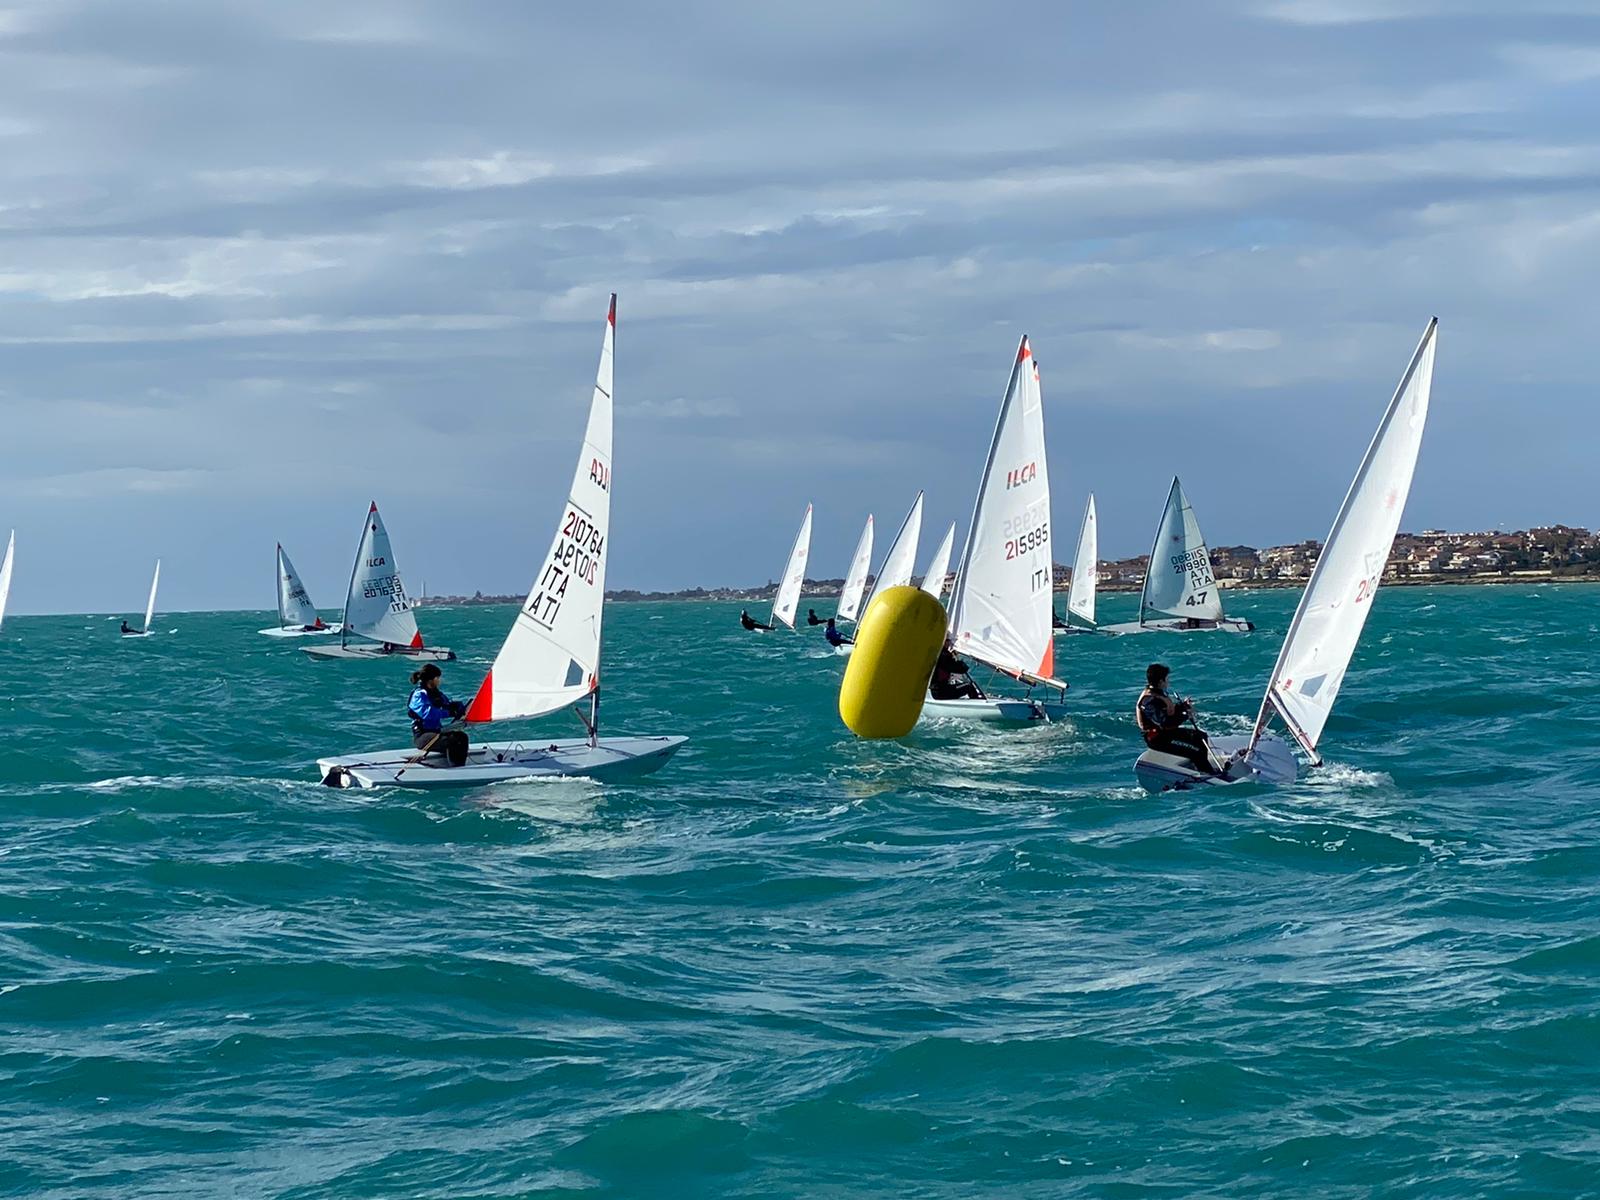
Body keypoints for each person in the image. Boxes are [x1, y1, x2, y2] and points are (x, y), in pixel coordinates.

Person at [1135, 663, 1223, 776]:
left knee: (1200, 737)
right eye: (1167, 679)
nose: (1169, 682)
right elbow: (1165, 722)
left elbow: (1167, 711)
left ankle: (1201, 767)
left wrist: (1182, 707)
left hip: (1168, 734)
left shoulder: (1157, 693)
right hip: (1158, 739)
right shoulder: (1149, 701)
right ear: (1161, 681)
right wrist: (1185, 715)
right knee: (1195, 751)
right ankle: (1207, 774)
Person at [408, 663, 469, 767]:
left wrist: (458, 707)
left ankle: (457, 765)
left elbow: (446, 704)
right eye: (437, 678)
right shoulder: (419, 694)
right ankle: (457, 769)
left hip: (436, 732)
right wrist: (449, 713)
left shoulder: (436, 693)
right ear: (431, 680)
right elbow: (428, 713)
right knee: (454, 740)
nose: (439, 681)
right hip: (422, 736)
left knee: (462, 737)